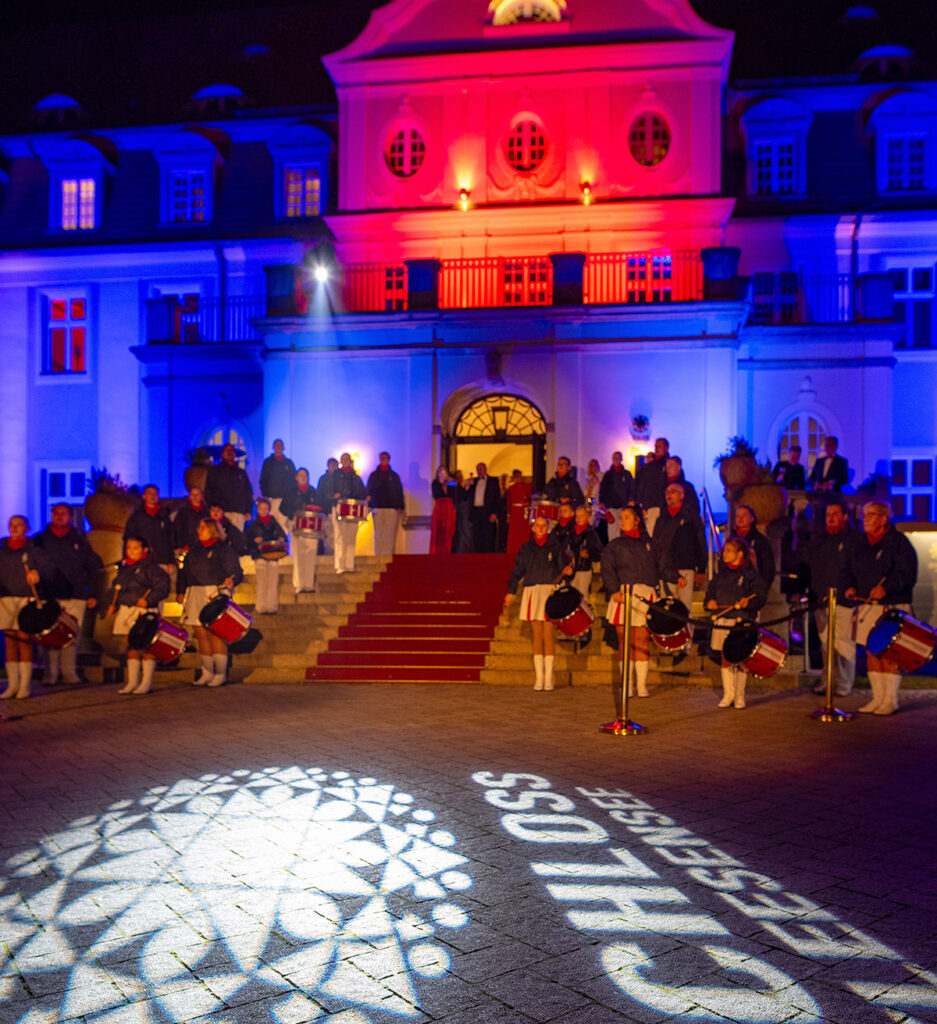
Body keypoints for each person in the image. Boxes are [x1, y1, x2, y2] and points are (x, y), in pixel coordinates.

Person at [843, 501, 918, 715]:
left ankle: (890, 700)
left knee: (889, 653)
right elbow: (850, 569)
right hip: (867, 606)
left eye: (871, 514)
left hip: (891, 606)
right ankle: (877, 698)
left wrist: (886, 588)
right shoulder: (861, 543)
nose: (865, 518)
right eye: (864, 514)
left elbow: (907, 574)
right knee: (871, 652)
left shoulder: (899, 543)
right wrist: (850, 586)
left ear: (884, 519)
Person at [600, 505, 677, 702]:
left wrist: (676, 578)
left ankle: (641, 684)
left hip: (645, 595)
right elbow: (607, 570)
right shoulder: (614, 545)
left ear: (637, 520)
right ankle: (627, 683)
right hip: (623, 595)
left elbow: (663, 566)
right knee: (625, 641)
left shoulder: (651, 543)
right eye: (622, 517)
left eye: (627, 517)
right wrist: (613, 590)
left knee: (642, 640)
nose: (623, 520)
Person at [34, 503, 102, 685]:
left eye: (63, 513)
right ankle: (50, 674)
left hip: (76, 594)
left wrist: (93, 592)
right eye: (55, 513)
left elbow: (93, 567)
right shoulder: (40, 540)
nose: (59, 516)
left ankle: (69, 673)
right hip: (50, 595)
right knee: (50, 635)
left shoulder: (80, 540)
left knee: (71, 635)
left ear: (70, 517)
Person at [504, 515, 572, 691]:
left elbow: (563, 567)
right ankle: (539, 678)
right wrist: (511, 591)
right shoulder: (526, 548)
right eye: (537, 525)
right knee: (537, 634)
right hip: (533, 591)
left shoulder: (555, 546)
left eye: (544, 526)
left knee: (549, 633)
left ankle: (548, 678)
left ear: (548, 528)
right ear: (533, 528)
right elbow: (518, 570)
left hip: (549, 591)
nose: (541, 528)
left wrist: (568, 571)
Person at [797, 501, 857, 697]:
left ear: (845, 517)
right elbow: (808, 570)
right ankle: (828, 681)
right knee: (826, 645)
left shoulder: (853, 540)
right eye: (828, 513)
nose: (830, 517)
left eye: (835, 513)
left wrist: (852, 589)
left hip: (844, 602)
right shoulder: (819, 542)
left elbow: (857, 570)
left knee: (843, 643)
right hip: (821, 602)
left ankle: (844, 684)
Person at [177, 518, 244, 687]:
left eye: (202, 527)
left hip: (214, 591)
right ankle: (207, 672)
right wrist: (180, 590)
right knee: (201, 634)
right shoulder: (194, 549)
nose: (198, 530)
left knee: (216, 633)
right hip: (195, 592)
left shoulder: (223, 549)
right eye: (198, 527)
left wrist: (232, 580)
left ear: (212, 529)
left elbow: (235, 570)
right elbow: (183, 572)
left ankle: (221, 673)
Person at [705, 537, 768, 709]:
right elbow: (711, 590)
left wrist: (749, 603)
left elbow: (760, 595)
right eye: (724, 550)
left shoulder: (750, 574)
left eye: (728, 551)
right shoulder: (721, 574)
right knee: (726, 657)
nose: (724, 554)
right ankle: (728, 694)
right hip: (723, 619)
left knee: (741, 658)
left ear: (740, 554)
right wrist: (710, 601)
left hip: (741, 621)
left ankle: (740, 696)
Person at [105, 535, 171, 695]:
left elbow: (162, 588)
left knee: (146, 646)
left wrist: (148, 600)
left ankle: (146, 682)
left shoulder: (152, 569)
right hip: (127, 610)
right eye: (128, 548)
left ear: (145, 550)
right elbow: (117, 588)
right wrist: (112, 602)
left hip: (143, 611)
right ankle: (132, 682)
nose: (131, 551)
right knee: (131, 646)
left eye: (135, 548)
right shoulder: (124, 568)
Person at [0, 516, 50, 700]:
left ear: (26, 528)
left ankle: (24, 686)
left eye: (19, 525)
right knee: (9, 642)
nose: (15, 528)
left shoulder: (33, 548)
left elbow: (47, 568)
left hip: (25, 598)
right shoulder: (3, 549)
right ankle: (12, 686)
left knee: (24, 640)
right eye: (12, 525)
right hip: (6, 599)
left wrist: (38, 572)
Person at [652, 483, 706, 616]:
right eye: (667, 491)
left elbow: (700, 542)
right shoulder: (661, 519)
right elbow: (656, 544)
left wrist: (701, 569)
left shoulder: (691, 517)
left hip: (685, 568)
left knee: (685, 609)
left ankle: (687, 636)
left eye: (673, 491)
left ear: (682, 495)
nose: (669, 494)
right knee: (667, 609)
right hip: (666, 570)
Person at [244, 498, 288, 614]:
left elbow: (282, 535)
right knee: (262, 581)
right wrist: (254, 541)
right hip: (260, 556)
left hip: (273, 554)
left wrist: (281, 539)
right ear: (258, 509)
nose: (263, 511)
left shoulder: (274, 523)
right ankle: (261, 606)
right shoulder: (253, 525)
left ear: (269, 509)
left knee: (273, 581)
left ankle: (272, 606)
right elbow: (247, 540)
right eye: (261, 509)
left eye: (266, 509)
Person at [282, 468, 322, 593]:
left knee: (310, 553)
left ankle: (309, 584)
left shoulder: (313, 492)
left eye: (305, 475)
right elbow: (283, 508)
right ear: (296, 477)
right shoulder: (291, 492)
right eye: (301, 475)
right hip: (297, 524)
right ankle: (299, 584)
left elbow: (321, 506)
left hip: (311, 525)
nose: (303, 477)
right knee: (299, 554)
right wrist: (293, 514)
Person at [123, 485, 175, 580]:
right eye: (149, 493)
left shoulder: (164, 516)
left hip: (161, 560)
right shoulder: (137, 517)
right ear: (144, 496)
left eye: (155, 493)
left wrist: (171, 561)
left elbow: (170, 539)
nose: (152, 496)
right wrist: (127, 560)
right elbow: (128, 538)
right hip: (141, 561)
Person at [331, 452, 368, 573]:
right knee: (340, 537)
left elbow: (362, 491)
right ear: (340, 461)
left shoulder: (355, 477)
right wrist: (334, 495)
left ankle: (349, 564)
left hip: (353, 509)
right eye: (343, 459)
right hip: (339, 507)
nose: (345, 461)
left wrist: (364, 497)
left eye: (347, 459)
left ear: (350, 461)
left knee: (351, 537)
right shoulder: (335, 475)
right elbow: (329, 490)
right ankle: (340, 565)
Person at [205, 443, 253, 531]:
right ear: (222, 453)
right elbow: (208, 491)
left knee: (237, 541)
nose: (229, 452)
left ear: (235, 454)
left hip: (238, 513)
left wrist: (248, 510)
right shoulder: (214, 471)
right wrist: (211, 509)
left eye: (231, 450)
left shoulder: (241, 473)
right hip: (220, 512)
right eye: (226, 450)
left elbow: (248, 492)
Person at [367, 451, 405, 556]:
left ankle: (388, 556)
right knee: (379, 534)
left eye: (386, 458)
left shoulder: (394, 476)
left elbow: (399, 491)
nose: (384, 460)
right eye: (382, 458)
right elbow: (369, 490)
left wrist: (401, 506)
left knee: (390, 534)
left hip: (391, 508)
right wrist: (369, 505)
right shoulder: (374, 475)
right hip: (378, 507)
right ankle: (378, 556)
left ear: (389, 460)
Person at [731, 505, 775, 591]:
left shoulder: (760, 540)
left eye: (744, 515)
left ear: (752, 519)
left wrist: (763, 585)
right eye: (738, 516)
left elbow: (768, 565)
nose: (740, 518)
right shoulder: (730, 540)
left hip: (753, 585)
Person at [259, 439, 297, 534]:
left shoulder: (288, 463)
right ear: (273, 447)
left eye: (280, 445)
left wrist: (291, 497)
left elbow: (293, 481)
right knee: (271, 523)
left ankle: (283, 545)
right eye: (276, 445)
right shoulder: (268, 462)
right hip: (271, 499)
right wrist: (265, 495)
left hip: (285, 499)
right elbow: (263, 480)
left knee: (283, 524)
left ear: (283, 448)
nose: (278, 447)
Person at [634, 438, 670, 535]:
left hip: (662, 507)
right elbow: (638, 483)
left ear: (666, 448)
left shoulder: (669, 465)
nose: (656, 448)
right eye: (655, 446)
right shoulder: (648, 467)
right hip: (647, 508)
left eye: (659, 446)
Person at [465, 462, 500, 553]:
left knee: (488, 537)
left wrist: (495, 513)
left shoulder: (493, 481)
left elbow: (497, 499)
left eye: (481, 469)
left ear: (485, 469)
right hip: (476, 512)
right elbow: (466, 496)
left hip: (488, 512)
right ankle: (478, 559)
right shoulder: (474, 481)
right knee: (477, 537)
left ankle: (489, 559)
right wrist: (468, 486)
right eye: (478, 469)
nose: (479, 471)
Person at [599, 451, 633, 542]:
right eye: (615, 458)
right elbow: (603, 489)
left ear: (621, 459)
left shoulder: (627, 474)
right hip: (611, 506)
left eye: (618, 458)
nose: (616, 460)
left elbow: (631, 488)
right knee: (612, 531)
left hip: (624, 507)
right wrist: (602, 502)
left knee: (624, 529)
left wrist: (630, 500)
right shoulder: (608, 475)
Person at [173, 485, 209, 557]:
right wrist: (180, 545)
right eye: (193, 494)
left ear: (202, 496)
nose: (195, 496)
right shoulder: (183, 512)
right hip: (187, 547)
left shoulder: (207, 512)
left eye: (197, 494)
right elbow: (177, 530)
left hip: (204, 547)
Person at [503, 469, 532, 556]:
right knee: (515, 532)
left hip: (524, 511)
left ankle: (526, 550)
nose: (519, 479)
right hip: (515, 511)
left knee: (524, 531)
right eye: (517, 477)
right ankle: (513, 550)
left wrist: (528, 503)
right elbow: (509, 503)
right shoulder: (511, 488)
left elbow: (531, 498)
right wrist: (508, 515)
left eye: (520, 477)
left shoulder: (527, 486)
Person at [430, 466, 457, 554]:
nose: (442, 473)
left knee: (448, 530)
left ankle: (447, 551)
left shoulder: (451, 482)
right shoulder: (435, 483)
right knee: (438, 530)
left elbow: (454, 494)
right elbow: (436, 495)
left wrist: (450, 482)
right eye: (440, 471)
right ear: (437, 473)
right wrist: (443, 485)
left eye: (444, 471)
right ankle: (436, 552)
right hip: (440, 507)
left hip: (449, 508)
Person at [315, 457, 339, 555]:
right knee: (328, 534)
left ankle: (336, 554)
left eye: (334, 465)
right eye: (331, 465)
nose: (333, 467)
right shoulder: (323, 479)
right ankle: (329, 554)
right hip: (326, 510)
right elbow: (320, 494)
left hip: (338, 510)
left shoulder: (340, 479)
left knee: (337, 534)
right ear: (328, 466)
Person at [453, 470, 474, 553]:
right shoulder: (454, 488)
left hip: (466, 513)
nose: (459, 478)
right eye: (457, 477)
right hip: (459, 512)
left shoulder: (462, 487)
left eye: (460, 476)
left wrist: (467, 487)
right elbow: (462, 496)